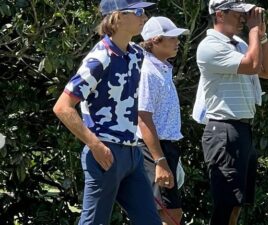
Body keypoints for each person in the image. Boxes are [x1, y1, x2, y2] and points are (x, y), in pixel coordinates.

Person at [52, 0, 162, 224]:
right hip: (106, 153)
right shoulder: (99, 58)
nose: (145, 17)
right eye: (139, 11)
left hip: (133, 154)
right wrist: (95, 145)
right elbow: (62, 107)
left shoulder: (136, 54)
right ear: (117, 17)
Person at [193, 0, 268, 224]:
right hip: (223, 130)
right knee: (226, 204)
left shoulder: (240, 44)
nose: (243, 18)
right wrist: (253, 30)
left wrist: (261, 36)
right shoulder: (210, 45)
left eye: (245, 14)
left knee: (236, 205)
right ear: (220, 15)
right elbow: (250, 65)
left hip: (241, 129)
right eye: (238, 13)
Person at [137, 16, 189, 225]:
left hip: (163, 147)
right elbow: (143, 117)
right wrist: (160, 160)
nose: (177, 41)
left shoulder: (162, 68)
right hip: (152, 150)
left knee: (167, 214)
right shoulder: (148, 71)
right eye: (172, 37)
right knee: (168, 214)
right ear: (155, 41)